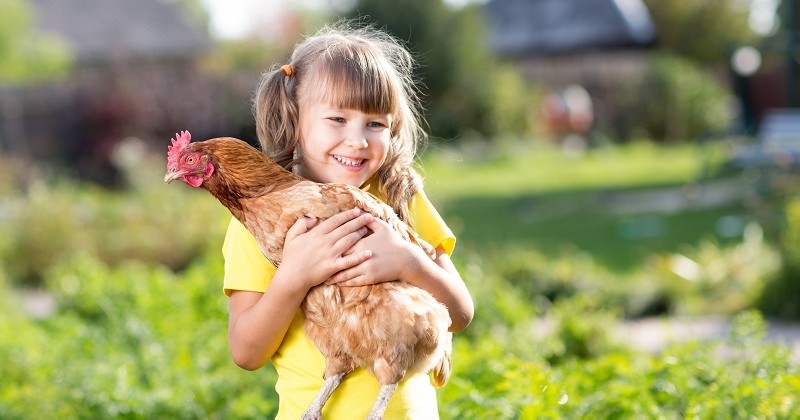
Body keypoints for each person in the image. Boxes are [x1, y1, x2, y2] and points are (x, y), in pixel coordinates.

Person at [221, 22, 474, 419]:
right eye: (337, 119)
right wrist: (294, 276)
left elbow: (460, 313)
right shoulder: (256, 220)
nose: (358, 140)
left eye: (375, 124)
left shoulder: (398, 194)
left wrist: (409, 262)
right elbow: (246, 352)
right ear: (295, 116)